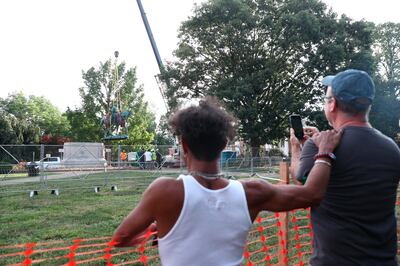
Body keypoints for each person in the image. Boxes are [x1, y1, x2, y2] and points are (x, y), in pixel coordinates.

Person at [112, 97, 342, 266]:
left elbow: (121, 238)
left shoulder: (164, 191)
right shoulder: (253, 192)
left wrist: (159, 232)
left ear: (183, 146)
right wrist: (323, 152)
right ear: (224, 145)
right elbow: (312, 194)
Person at [290, 69, 400, 265]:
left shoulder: (317, 145)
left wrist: (297, 148)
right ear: (368, 105)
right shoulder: (392, 148)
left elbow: (301, 178)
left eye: (326, 98)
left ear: (332, 104)